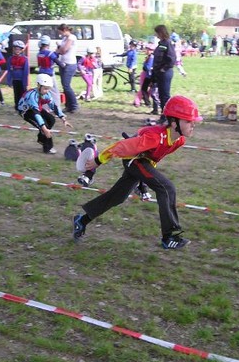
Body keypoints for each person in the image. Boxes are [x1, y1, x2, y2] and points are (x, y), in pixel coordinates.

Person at [72, 95, 203, 249]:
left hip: (143, 161)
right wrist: (96, 161)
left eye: (193, 121)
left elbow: (154, 158)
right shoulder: (154, 137)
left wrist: (143, 182)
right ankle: (170, 237)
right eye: (188, 121)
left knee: (117, 196)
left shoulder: (179, 140)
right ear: (174, 123)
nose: (193, 124)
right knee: (167, 188)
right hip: (132, 159)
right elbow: (120, 147)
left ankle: (81, 221)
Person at [17, 74, 72, 154]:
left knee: (51, 119)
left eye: (49, 89)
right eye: (45, 88)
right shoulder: (32, 95)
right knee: (44, 126)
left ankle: (41, 139)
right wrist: (44, 129)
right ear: (39, 86)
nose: (47, 91)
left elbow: (54, 106)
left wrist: (63, 119)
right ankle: (47, 147)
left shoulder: (46, 94)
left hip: (36, 107)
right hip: (26, 111)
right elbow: (36, 114)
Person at [152, 25, 177, 124]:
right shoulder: (161, 44)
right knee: (161, 95)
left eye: (156, 32)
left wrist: (163, 69)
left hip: (165, 73)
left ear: (161, 32)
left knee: (165, 96)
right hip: (159, 73)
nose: (155, 35)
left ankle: (167, 116)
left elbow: (172, 59)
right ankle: (164, 115)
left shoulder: (167, 43)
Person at [36, 35, 64, 107]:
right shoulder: (50, 53)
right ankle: (57, 108)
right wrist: (63, 65)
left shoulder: (39, 53)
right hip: (49, 74)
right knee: (55, 92)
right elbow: (57, 61)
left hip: (41, 74)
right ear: (48, 44)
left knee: (43, 92)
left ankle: (43, 108)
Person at [57, 23, 79, 113]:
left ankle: (74, 105)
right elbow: (60, 50)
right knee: (64, 85)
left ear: (64, 30)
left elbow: (63, 50)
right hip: (63, 63)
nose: (60, 34)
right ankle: (68, 105)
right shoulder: (64, 38)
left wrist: (59, 48)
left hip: (70, 64)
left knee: (66, 85)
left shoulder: (71, 38)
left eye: (60, 32)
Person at [5, 40, 29, 109]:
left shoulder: (24, 59)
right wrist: (9, 80)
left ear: (22, 50)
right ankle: (17, 106)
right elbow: (9, 70)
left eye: (19, 49)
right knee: (16, 93)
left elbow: (26, 71)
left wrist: (25, 82)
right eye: (16, 49)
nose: (17, 51)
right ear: (13, 49)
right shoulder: (10, 59)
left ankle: (24, 106)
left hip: (21, 79)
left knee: (23, 93)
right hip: (15, 79)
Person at [134, 44, 156, 108]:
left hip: (149, 75)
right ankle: (138, 101)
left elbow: (147, 67)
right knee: (144, 89)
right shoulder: (149, 57)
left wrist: (145, 66)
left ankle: (143, 100)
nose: (147, 50)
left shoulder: (151, 57)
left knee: (147, 89)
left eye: (149, 49)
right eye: (147, 49)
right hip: (146, 75)